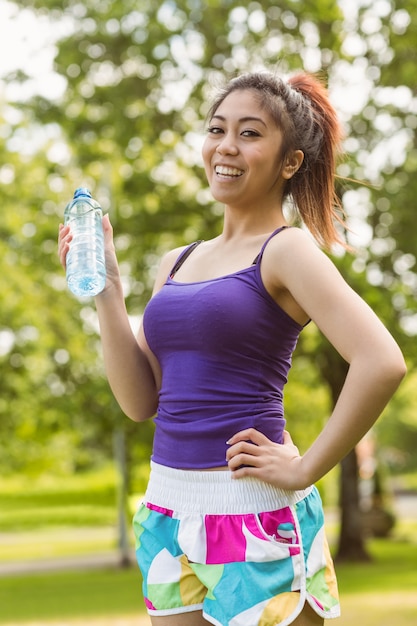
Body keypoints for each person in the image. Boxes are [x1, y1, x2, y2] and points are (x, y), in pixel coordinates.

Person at [58, 71, 406, 626]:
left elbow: (382, 361)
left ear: (289, 162)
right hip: (169, 508)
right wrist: (108, 295)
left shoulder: (287, 251)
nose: (225, 146)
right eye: (217, 129)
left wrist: (306, 468)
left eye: (249, 134)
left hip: (253, 510)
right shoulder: (176, 261)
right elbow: (139, 401)